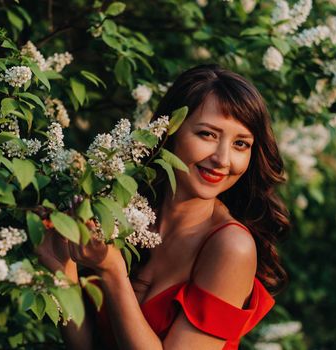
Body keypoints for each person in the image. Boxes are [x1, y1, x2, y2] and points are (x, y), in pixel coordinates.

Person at [37, 64, 290, 350]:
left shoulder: (231, 247)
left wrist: (112, 272)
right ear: (169, 131)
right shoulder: (123, 209)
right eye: (208, 134)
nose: (223, 159)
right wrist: (61, 269)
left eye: (241, 144)